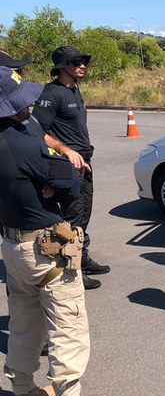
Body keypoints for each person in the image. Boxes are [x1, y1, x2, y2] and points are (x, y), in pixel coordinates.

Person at [0, 66, 118, 396]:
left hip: (11, 245)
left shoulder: (15, 135)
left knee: (23, 322)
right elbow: (68, 181)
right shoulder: (21, 143)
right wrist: (58, 175)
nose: (28, 106)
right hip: (44, 247)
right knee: (67, 326)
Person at [33, 46, 108, 290]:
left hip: (84, 163)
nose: (82, 65)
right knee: (71, 219)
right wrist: (65, 153)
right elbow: (38, 133)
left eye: (84, 61)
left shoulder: (74, 89)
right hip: (66, 165)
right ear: (62, 66)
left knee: (83, 215)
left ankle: (82, 259)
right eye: (77, 62)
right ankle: (70, 272)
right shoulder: (51, 93)